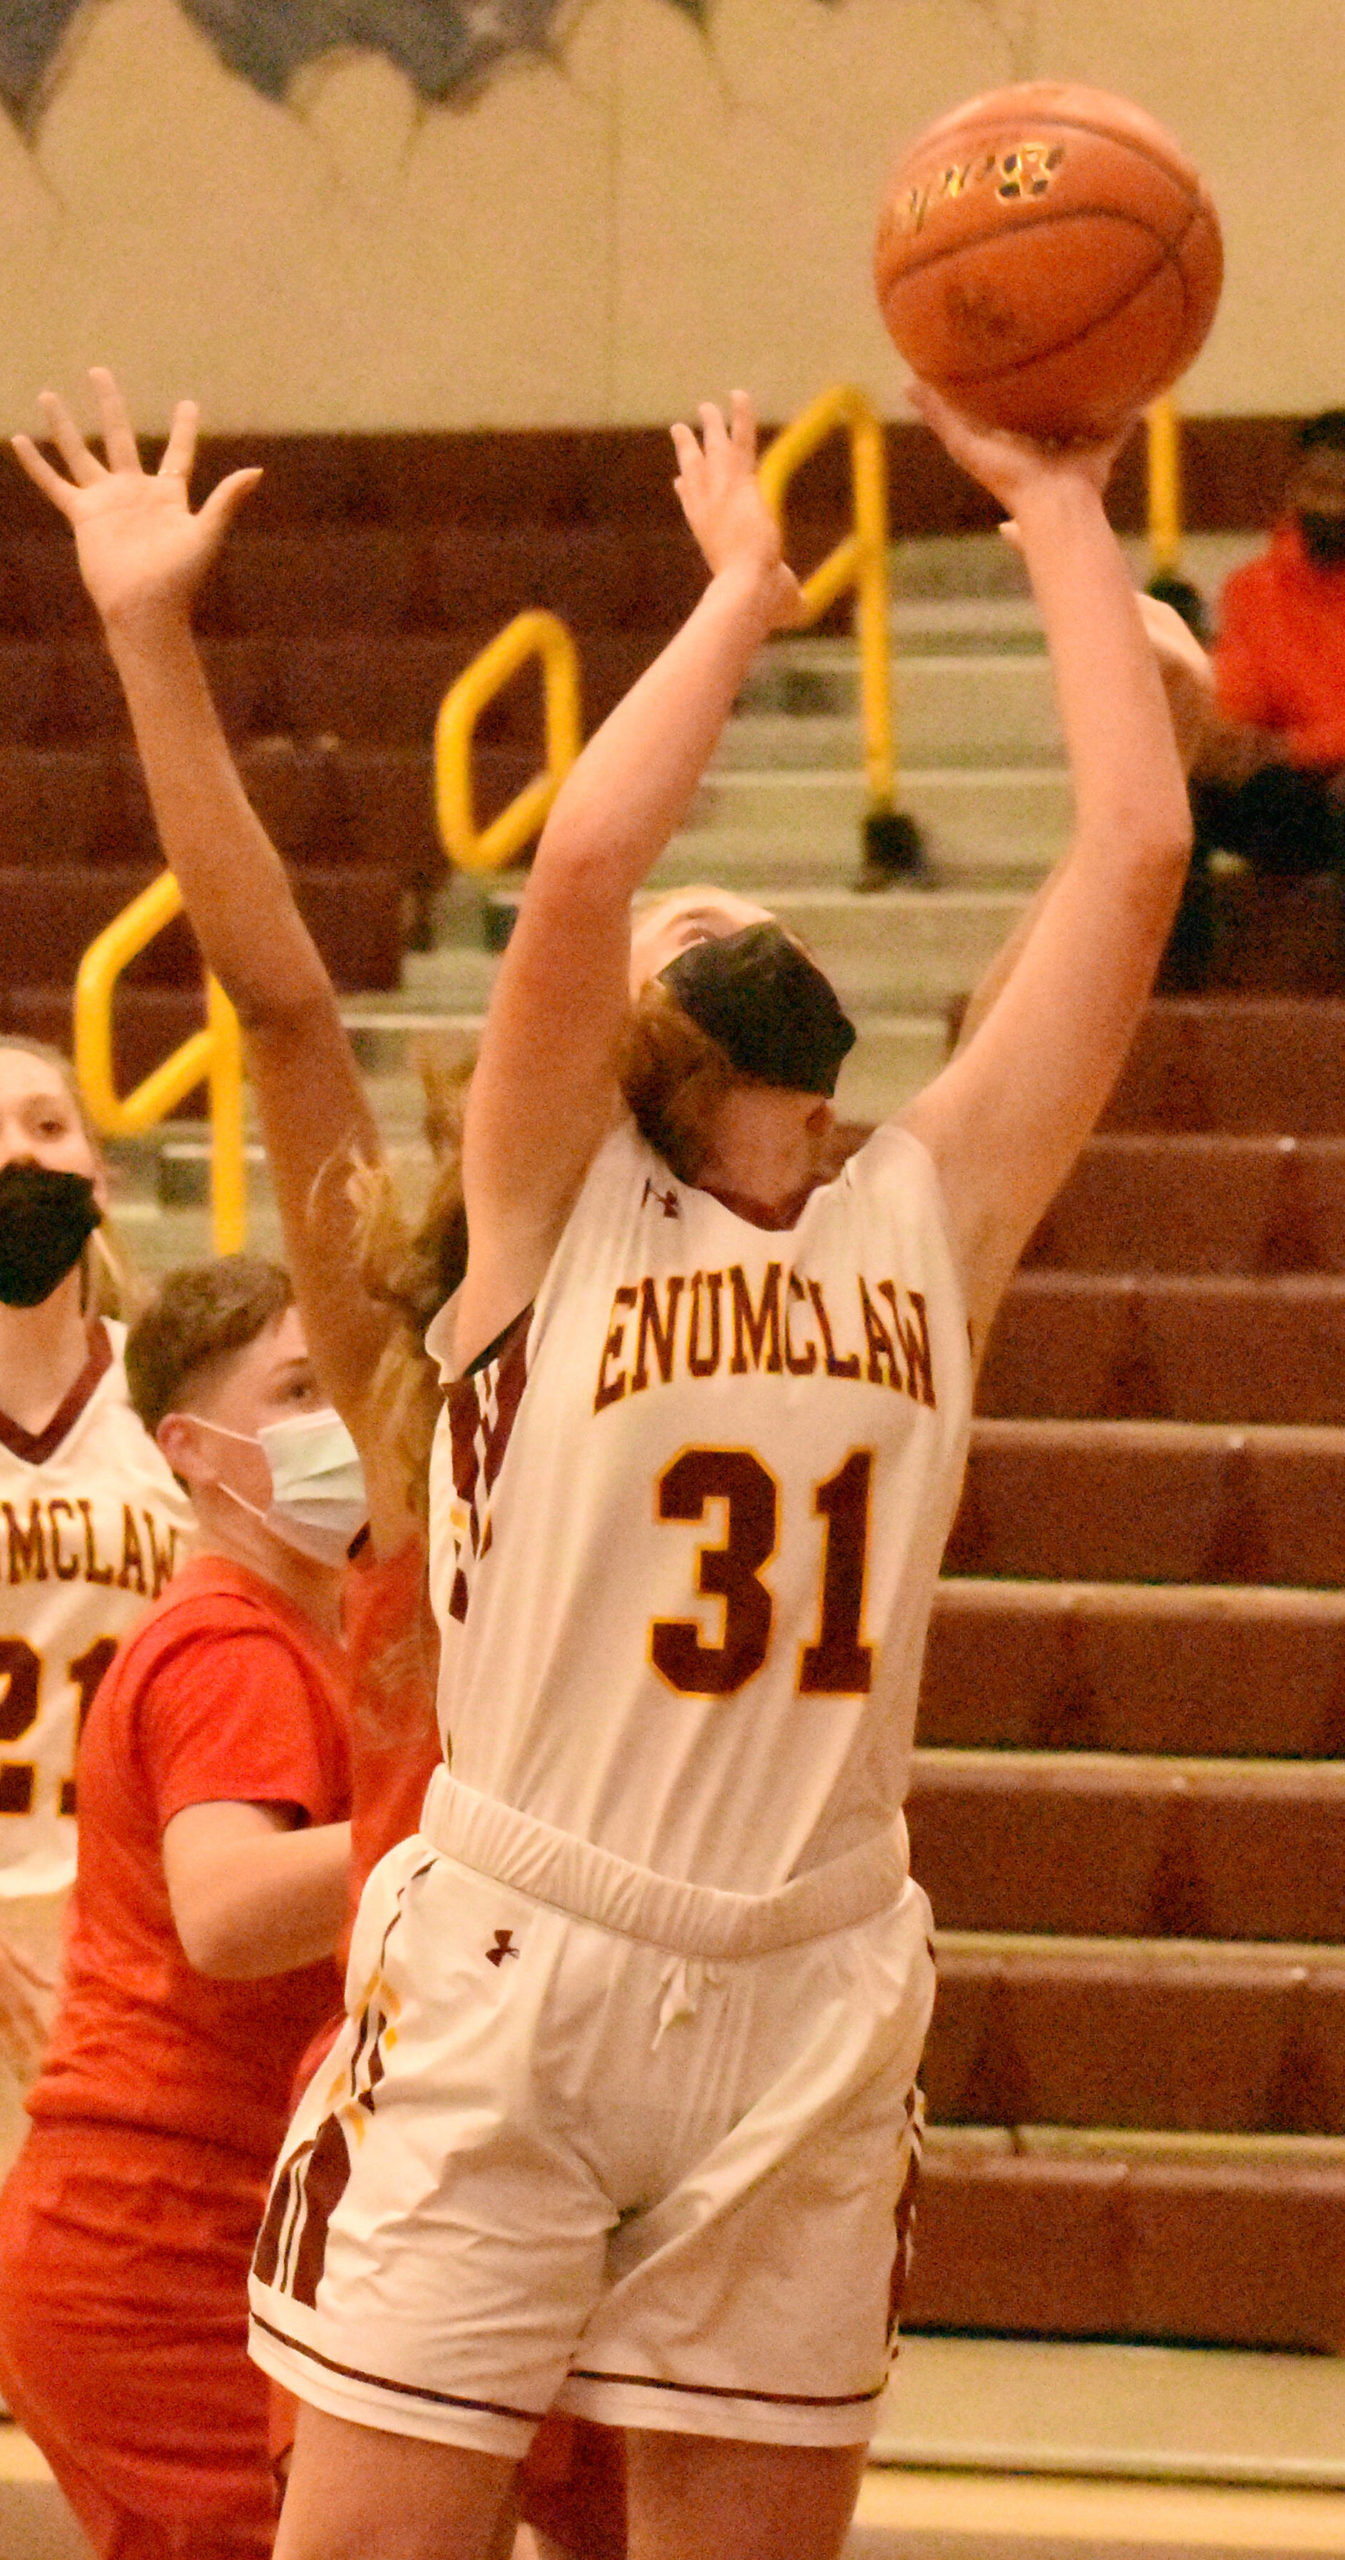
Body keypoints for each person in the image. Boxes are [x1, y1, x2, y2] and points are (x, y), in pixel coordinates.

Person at [16, 371, 1192, 2560]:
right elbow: (574, 857)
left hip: (813, 1968)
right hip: (521, 1945)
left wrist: (1053, 502)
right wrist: (744, 588)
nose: (708, 914)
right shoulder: (543, 1223)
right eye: (685, 922)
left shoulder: (929, 1209)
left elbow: (1132, 856)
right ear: (631, 1041)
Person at [14, 369, 625, 2560]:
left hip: (580, 2104)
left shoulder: (694, 1380)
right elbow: (276, 1004)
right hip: (355, 2146)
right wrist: (154, 643)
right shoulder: (400, 1411)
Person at [0, 1255, 354, 2560]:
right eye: (301, 1389)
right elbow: (231, 1907)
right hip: (152, 2245)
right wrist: (451, 1835)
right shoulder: (232, 1645)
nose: (345, 1421)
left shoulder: (315, 1622)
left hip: (201, 2227)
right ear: (195, 1452)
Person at [0, 1037, 192, 2173]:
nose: (15, 1159)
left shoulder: (193, 1397)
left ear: (101, 1178)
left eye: (45, 1127)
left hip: (144, 1943)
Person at [1188, 409, 1345, 874]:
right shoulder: (1252, 587)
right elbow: (1241, 694)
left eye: (1342, 491)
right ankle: (1172, 947)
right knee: (1171, 800)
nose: (1330, 507)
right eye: (1318, 488)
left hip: (1325, 776)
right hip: (1289, 786)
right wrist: (1224, 737)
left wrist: (1293, 749)